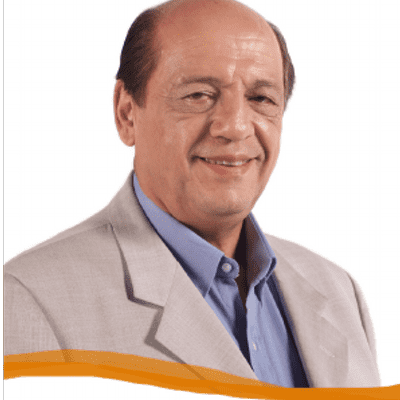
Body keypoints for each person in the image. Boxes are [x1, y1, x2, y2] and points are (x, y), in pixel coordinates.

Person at [4, 0, 380, 388]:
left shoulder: (339, 291)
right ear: (127, 113)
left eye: (261, 99)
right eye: (199, 95)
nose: (235, 126)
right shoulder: (32, 300)